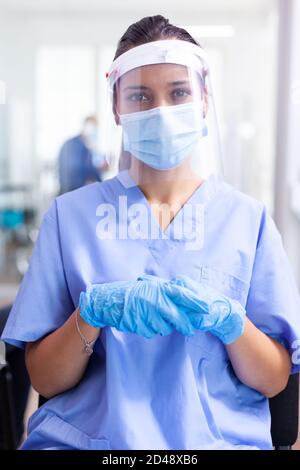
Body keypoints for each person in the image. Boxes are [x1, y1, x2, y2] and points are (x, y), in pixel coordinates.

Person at [1, 15, 300, 450]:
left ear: (203, 101)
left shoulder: (247, 221)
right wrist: (90, 316)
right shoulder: (70, 219)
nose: (160, 112)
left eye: (178, 93)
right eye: (140, 96)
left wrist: (231, 324)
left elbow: (275, 381)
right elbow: (44, 378)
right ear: (117, 108)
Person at [58, 115, 104, 194]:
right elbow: (76, 170)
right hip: (71, 193)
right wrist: (97, 170)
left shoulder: (86, 147)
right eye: (93, 128)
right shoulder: (73, 145)